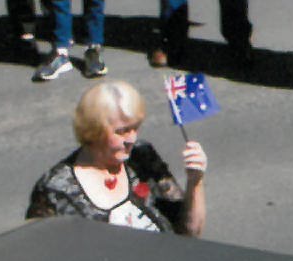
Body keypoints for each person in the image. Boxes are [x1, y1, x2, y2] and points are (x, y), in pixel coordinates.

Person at [26, 74, 208, 233]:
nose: (132, 139)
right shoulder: (55, 189)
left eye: (135, 128)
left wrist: (195, 181)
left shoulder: (142, 157)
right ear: (93, 131)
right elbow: (40, 254)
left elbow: (188, 232)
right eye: (122, 131)